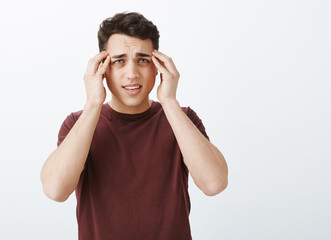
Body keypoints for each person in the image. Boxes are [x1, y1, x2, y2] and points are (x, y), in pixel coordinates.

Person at [40, 12, 228, 240]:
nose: (132, 74)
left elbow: (215, 184)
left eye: (142, 60)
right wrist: (93, 104)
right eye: (119, 61)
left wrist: (169, 101)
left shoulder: (182, 118)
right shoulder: (77, 123)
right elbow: (55, 191)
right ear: (102, 67)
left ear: (157, 66)